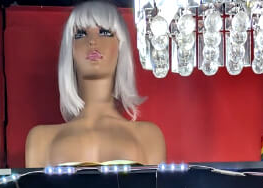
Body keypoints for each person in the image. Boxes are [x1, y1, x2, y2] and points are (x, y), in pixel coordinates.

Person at [25, 2, 166, 168]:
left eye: (105, 32)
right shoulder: (41, 139)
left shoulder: (148, 136)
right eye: (80, 34)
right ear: (69, 49)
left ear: (121, 46)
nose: (92, 41)